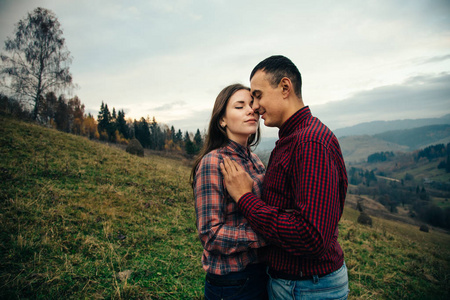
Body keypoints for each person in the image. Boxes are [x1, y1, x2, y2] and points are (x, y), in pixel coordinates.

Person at [220, 55, 349, 299]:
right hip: (296, 284)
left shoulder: (310, 142)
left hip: (308, 288)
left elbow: (311, 236)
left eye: (258, 95)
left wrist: (245, 198)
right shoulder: (291, 139)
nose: (254, 107)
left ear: (285, 87)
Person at [191, 83, 269, 300]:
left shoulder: (254, 159)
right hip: (232, 282)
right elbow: (210, 234)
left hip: (260, 273)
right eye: (239, 106)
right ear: (222, 120)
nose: (251, 110)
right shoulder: (213, 162)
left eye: (252, 105)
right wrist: (267, 235)